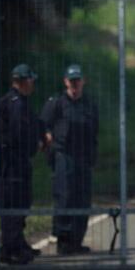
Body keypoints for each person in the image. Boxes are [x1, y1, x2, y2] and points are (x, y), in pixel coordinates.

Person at [40, 64, 99, 255]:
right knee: (65, 198)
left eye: (78, 81)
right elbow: (43, 126)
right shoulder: (56, 103)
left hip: (83, 157)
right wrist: (47, 139)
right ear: (66, 82)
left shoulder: (88, 104)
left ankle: (76, 241)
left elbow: (95, 131)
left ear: (83, 81)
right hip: (64, 157)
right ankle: (64, 241)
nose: (75, 84)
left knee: (82, 199)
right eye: (71, 81)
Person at [0, 63, 43, 264]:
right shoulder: (16, 104)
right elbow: (18, 135)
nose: (33, 83)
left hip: (19, 162)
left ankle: (18, 242)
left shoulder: (21, 102)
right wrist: (34, 145)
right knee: (14, 205)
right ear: (24, 81)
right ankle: (10, 249)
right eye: (31, 79)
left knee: (22, 202)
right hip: (13, 164)